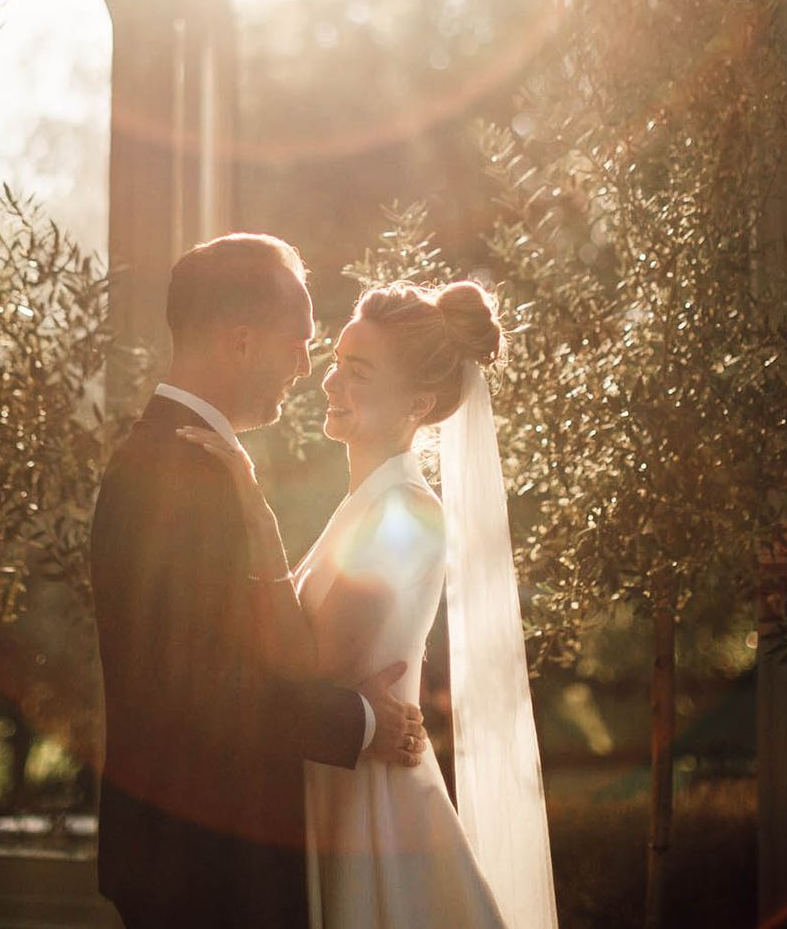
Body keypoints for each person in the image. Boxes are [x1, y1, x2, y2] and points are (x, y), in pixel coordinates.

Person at [181, 279, 558, 928]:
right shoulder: (364, 505)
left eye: (357, 372)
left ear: (418, 402)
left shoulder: (408, 513)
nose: (330, 383)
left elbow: (315, 660)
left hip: (372, 819)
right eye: (335, 363)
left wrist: (256, 512)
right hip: (334, 788)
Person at [89, 234, 429, 929]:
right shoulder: (181, 475)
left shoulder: (184, 459)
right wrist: (361, 722)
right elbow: (199, 689)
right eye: (301, 343)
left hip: (199, 858)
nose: (309, 369)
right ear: (241, 343)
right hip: (207, 869)